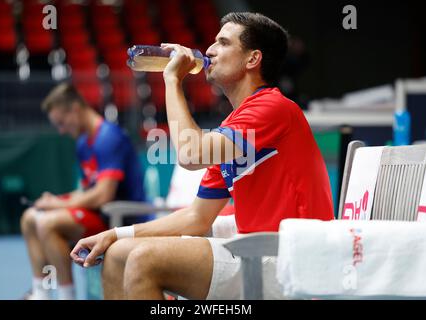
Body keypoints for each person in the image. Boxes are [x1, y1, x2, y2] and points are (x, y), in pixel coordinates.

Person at [70, 12, 334, 300]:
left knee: (144, 260)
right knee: (118, 254)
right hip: (255, 251)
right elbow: (198, 216)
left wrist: (172, 80)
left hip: (288, 259)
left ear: (252, 59)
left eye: (223, 42)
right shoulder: (235, 127)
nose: (209, 50)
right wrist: (115, 234)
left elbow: (189, 153)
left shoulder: (273, 108)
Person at [20, 82, 149, 300]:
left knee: (47, 223)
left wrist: (58, 205)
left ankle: (66, 296)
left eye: (62, 123)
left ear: (75, 109)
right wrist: (58, 199)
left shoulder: (109, 137)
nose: (61, 131)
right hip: (100, 214)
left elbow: (103, 195)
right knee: (30, 217)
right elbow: (87, 191)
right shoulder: (82, 143)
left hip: (121, 218)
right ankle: (41, 294)